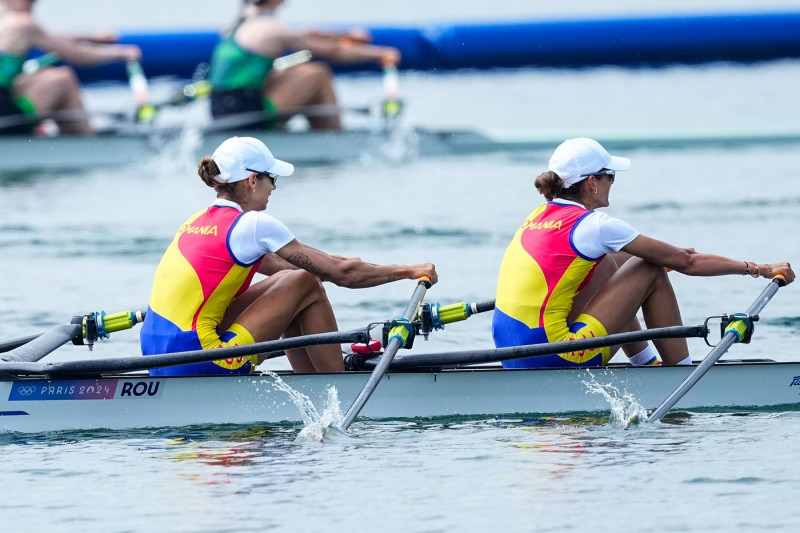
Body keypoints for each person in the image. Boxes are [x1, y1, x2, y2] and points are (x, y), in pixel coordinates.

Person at [140, 136, 437, 375]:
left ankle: (313, 379)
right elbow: (339, 275)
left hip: (155, 357)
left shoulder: (195, 222)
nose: (275, 188)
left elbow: (294, 266)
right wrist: (410, 271)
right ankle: (333, 385)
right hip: (203, 359)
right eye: (273, 179)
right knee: (304, 282)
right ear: (252, 181)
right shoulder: (254, 225)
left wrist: (342, 265)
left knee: (294, 279)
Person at [492, 137, 795, 368]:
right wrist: (761, 269)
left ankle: (647, 365)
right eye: (611, 175)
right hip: (561, 356)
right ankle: (680, 372)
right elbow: (687, 262)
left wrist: (668, 256)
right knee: (649, 268)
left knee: (608, 264)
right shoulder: (595, 225)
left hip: (515, 355)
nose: (613, 182)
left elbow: (627, 263)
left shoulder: (535, 219)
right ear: (592, 183)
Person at [208, 0, 400, 131]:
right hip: (248, 116)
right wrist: (380, 54)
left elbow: (305, 33)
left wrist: (345, 35)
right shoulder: (270, 29)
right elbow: (333, 52)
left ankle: (320, 135)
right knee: (318, 74)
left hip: (220, 111)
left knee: (294, 70)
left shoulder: (237, 24)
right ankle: (332, 139)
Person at [0, 0, 141, 135]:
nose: (33, 4)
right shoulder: (23, 23)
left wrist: (91, 38)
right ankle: (85, 147)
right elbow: (78, 56)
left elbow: (48, 37)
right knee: (63, 79)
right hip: (4, 117)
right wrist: (122, 53)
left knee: (31, 77)